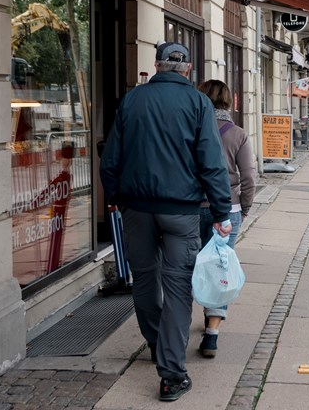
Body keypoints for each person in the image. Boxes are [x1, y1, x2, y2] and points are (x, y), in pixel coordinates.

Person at [99, 42, 232, 403]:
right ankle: (171, 374)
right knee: (177, 289)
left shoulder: (132, 100)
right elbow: (210, 161)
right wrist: (221, 212)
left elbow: (111, 157)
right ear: (187, 70)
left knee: (144, 279)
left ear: (156, 66)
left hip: (137, 209)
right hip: (180, 211)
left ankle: (158, 342)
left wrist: (114, 197)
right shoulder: (198, 103)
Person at [195, 79, 255, 359]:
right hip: (227, 208)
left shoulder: (193, 128)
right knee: (220, 267)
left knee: (187, 264)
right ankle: (211, 334)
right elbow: (249, 177)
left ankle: (177, 326)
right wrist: (243, 209)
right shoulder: (238, 134)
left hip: (192, 207)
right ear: (229, 101)